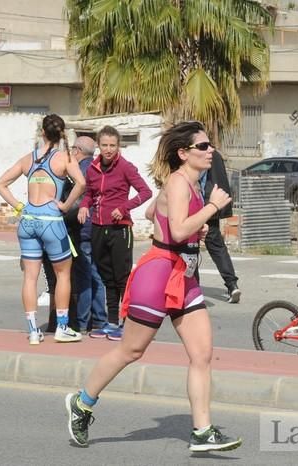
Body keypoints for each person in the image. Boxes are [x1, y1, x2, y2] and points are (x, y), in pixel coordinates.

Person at [65, 121, 242, 452]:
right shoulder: (178, 183)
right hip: (159, 274)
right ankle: (82, 402)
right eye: (203, 146)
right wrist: (210, 209)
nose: (210, 151)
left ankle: (202, 431)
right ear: (183, 153)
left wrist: (194, 229)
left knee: (202, 354)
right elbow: (175, 233)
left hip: (184, 277)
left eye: (210, 145)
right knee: (131, 350)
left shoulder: (188, 184)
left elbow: (151, 211)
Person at [0, 114, 85, 345]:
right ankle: (63, 328)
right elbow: (82, 183)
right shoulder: (64, 158)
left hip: (28, 220)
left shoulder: (28, 159)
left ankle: (34, 331)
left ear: (42, 133)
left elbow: (0, 184)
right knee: (63, 274)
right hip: (51, 221)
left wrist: (18, 207)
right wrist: (64, 205)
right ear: (63, 133)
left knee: (30, 277)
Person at [77, 125, 152, 341]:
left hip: (120, 229)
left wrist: (124, 208)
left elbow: (145, 192)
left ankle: (127, 323)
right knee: (106, 277)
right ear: (98, 146)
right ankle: (110, 323)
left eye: (112, 145)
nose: (108, 149)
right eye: (104, 145)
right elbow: (90, 194)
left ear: (118, 146)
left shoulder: (126, 167)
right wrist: (83, 205)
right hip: (99, 227)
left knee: (122, 278)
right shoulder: (92, 168)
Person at [65, 136, 107, 333]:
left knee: (84, 277)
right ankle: (100, 319)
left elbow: (77, 202)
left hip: (83, 228)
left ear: (77, 150)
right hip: (99, 227)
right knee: (96, 275)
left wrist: (62, 210)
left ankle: (82, 322)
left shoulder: (80, 172)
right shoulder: (99, 168)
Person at [200, 150, 240, 303]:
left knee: (187, 246)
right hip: (215, 203)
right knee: (217, 246)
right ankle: (232, 284)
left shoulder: (197, 152)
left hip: (202, 203)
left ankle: (189, 288)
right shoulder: (214, 153)